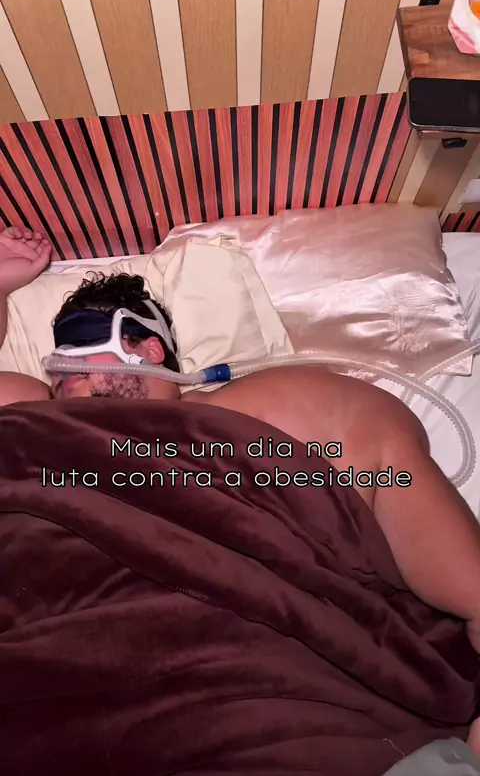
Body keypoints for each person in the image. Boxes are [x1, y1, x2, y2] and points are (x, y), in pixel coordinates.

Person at [1, 225, 480, 766]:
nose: (66, 367)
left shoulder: (283, 404)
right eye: (60, 353)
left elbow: (468, 584)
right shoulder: (30, 414)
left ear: (149, 348)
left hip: (276, 709)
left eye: (84, 344)